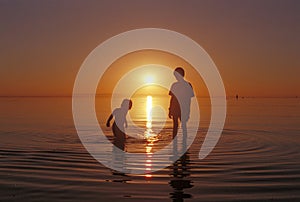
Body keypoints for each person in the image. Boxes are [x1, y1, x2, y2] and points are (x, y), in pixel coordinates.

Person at [168, 67, 194, 151]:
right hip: (175, 108)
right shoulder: (174, 85)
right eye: (175, 75)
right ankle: (174, 144)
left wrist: (188, 111)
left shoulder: (188, 85)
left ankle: (184, 143)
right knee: (175, 125)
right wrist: (169, 109)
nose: (176, 77)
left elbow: (189, 99)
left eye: (177, 75)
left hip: (183, 108)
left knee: (183, 126)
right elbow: (172, 98)